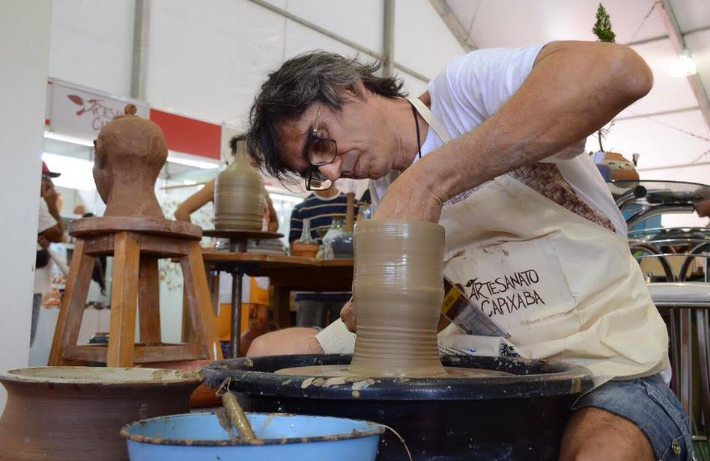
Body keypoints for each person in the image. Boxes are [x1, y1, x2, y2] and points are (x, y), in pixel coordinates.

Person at [245, 42, 690, 461]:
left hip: (607, 369)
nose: (333, 172)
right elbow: (453, 306)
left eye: (319, 144)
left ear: (350, 88)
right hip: (502, 378)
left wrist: (429, 181)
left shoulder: (462, 94)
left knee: (600, 452)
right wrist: (376, 312)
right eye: (315, 171)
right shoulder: (384, 192)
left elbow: (621, 72)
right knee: (268, 360)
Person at [174, 134, 278, 231]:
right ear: (235, 154)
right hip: (227, 243)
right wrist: (194, 241)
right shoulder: (218, 184)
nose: (255, 157)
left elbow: (274, 223)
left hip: (258, 244)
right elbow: (181, 212)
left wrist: (264, 236)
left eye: (258, 152)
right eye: (249, 152)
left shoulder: (262, 189)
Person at [289, 184, 353, 328]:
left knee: (345, 339)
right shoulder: (301, 209)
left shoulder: (352, 206)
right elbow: (295, 253)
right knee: (305, 338)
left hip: (345, 290)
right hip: (309, 289)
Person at [33, 162, 63, 347]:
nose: (51, 185)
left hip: (31, 282)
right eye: (47, 179)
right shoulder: (39, 203)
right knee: (25, 339)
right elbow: (58, 234)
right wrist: (51, 202)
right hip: (32, 284)